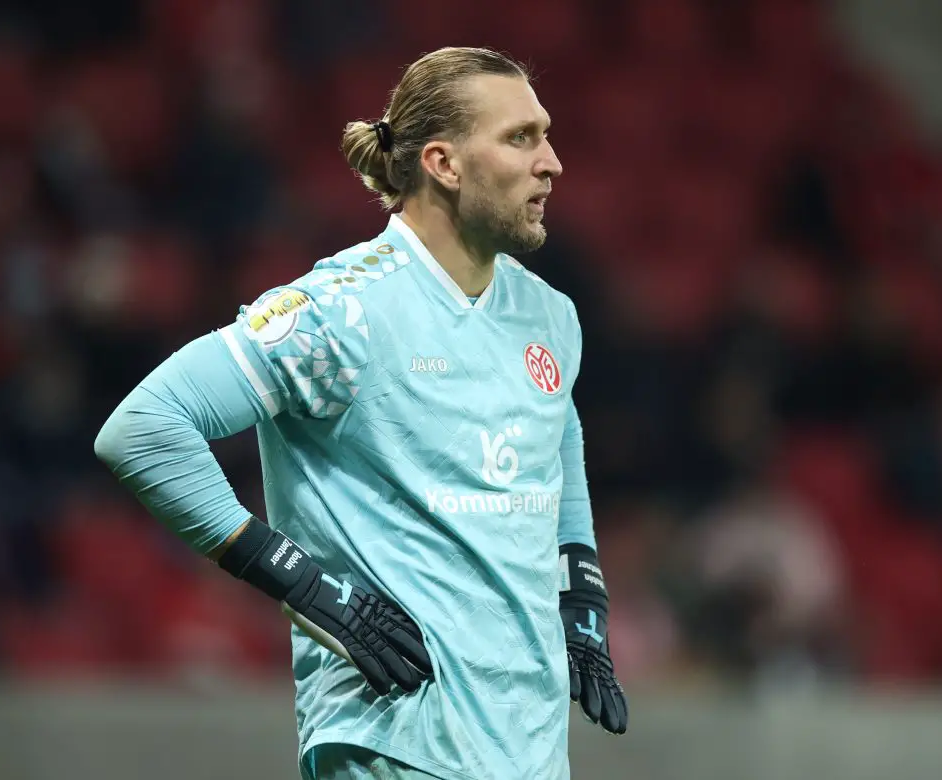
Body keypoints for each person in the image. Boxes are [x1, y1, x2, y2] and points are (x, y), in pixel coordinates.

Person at [94, 46, 628, 780]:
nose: (552, 162)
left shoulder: (548, 314)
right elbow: (146, 428)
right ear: (443, 162)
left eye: (546, 133)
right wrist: (304, 587)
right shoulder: (343, 310)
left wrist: (582, 598)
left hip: (528, 748)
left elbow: (555, 433)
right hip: (395, 738)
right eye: (520, 137)